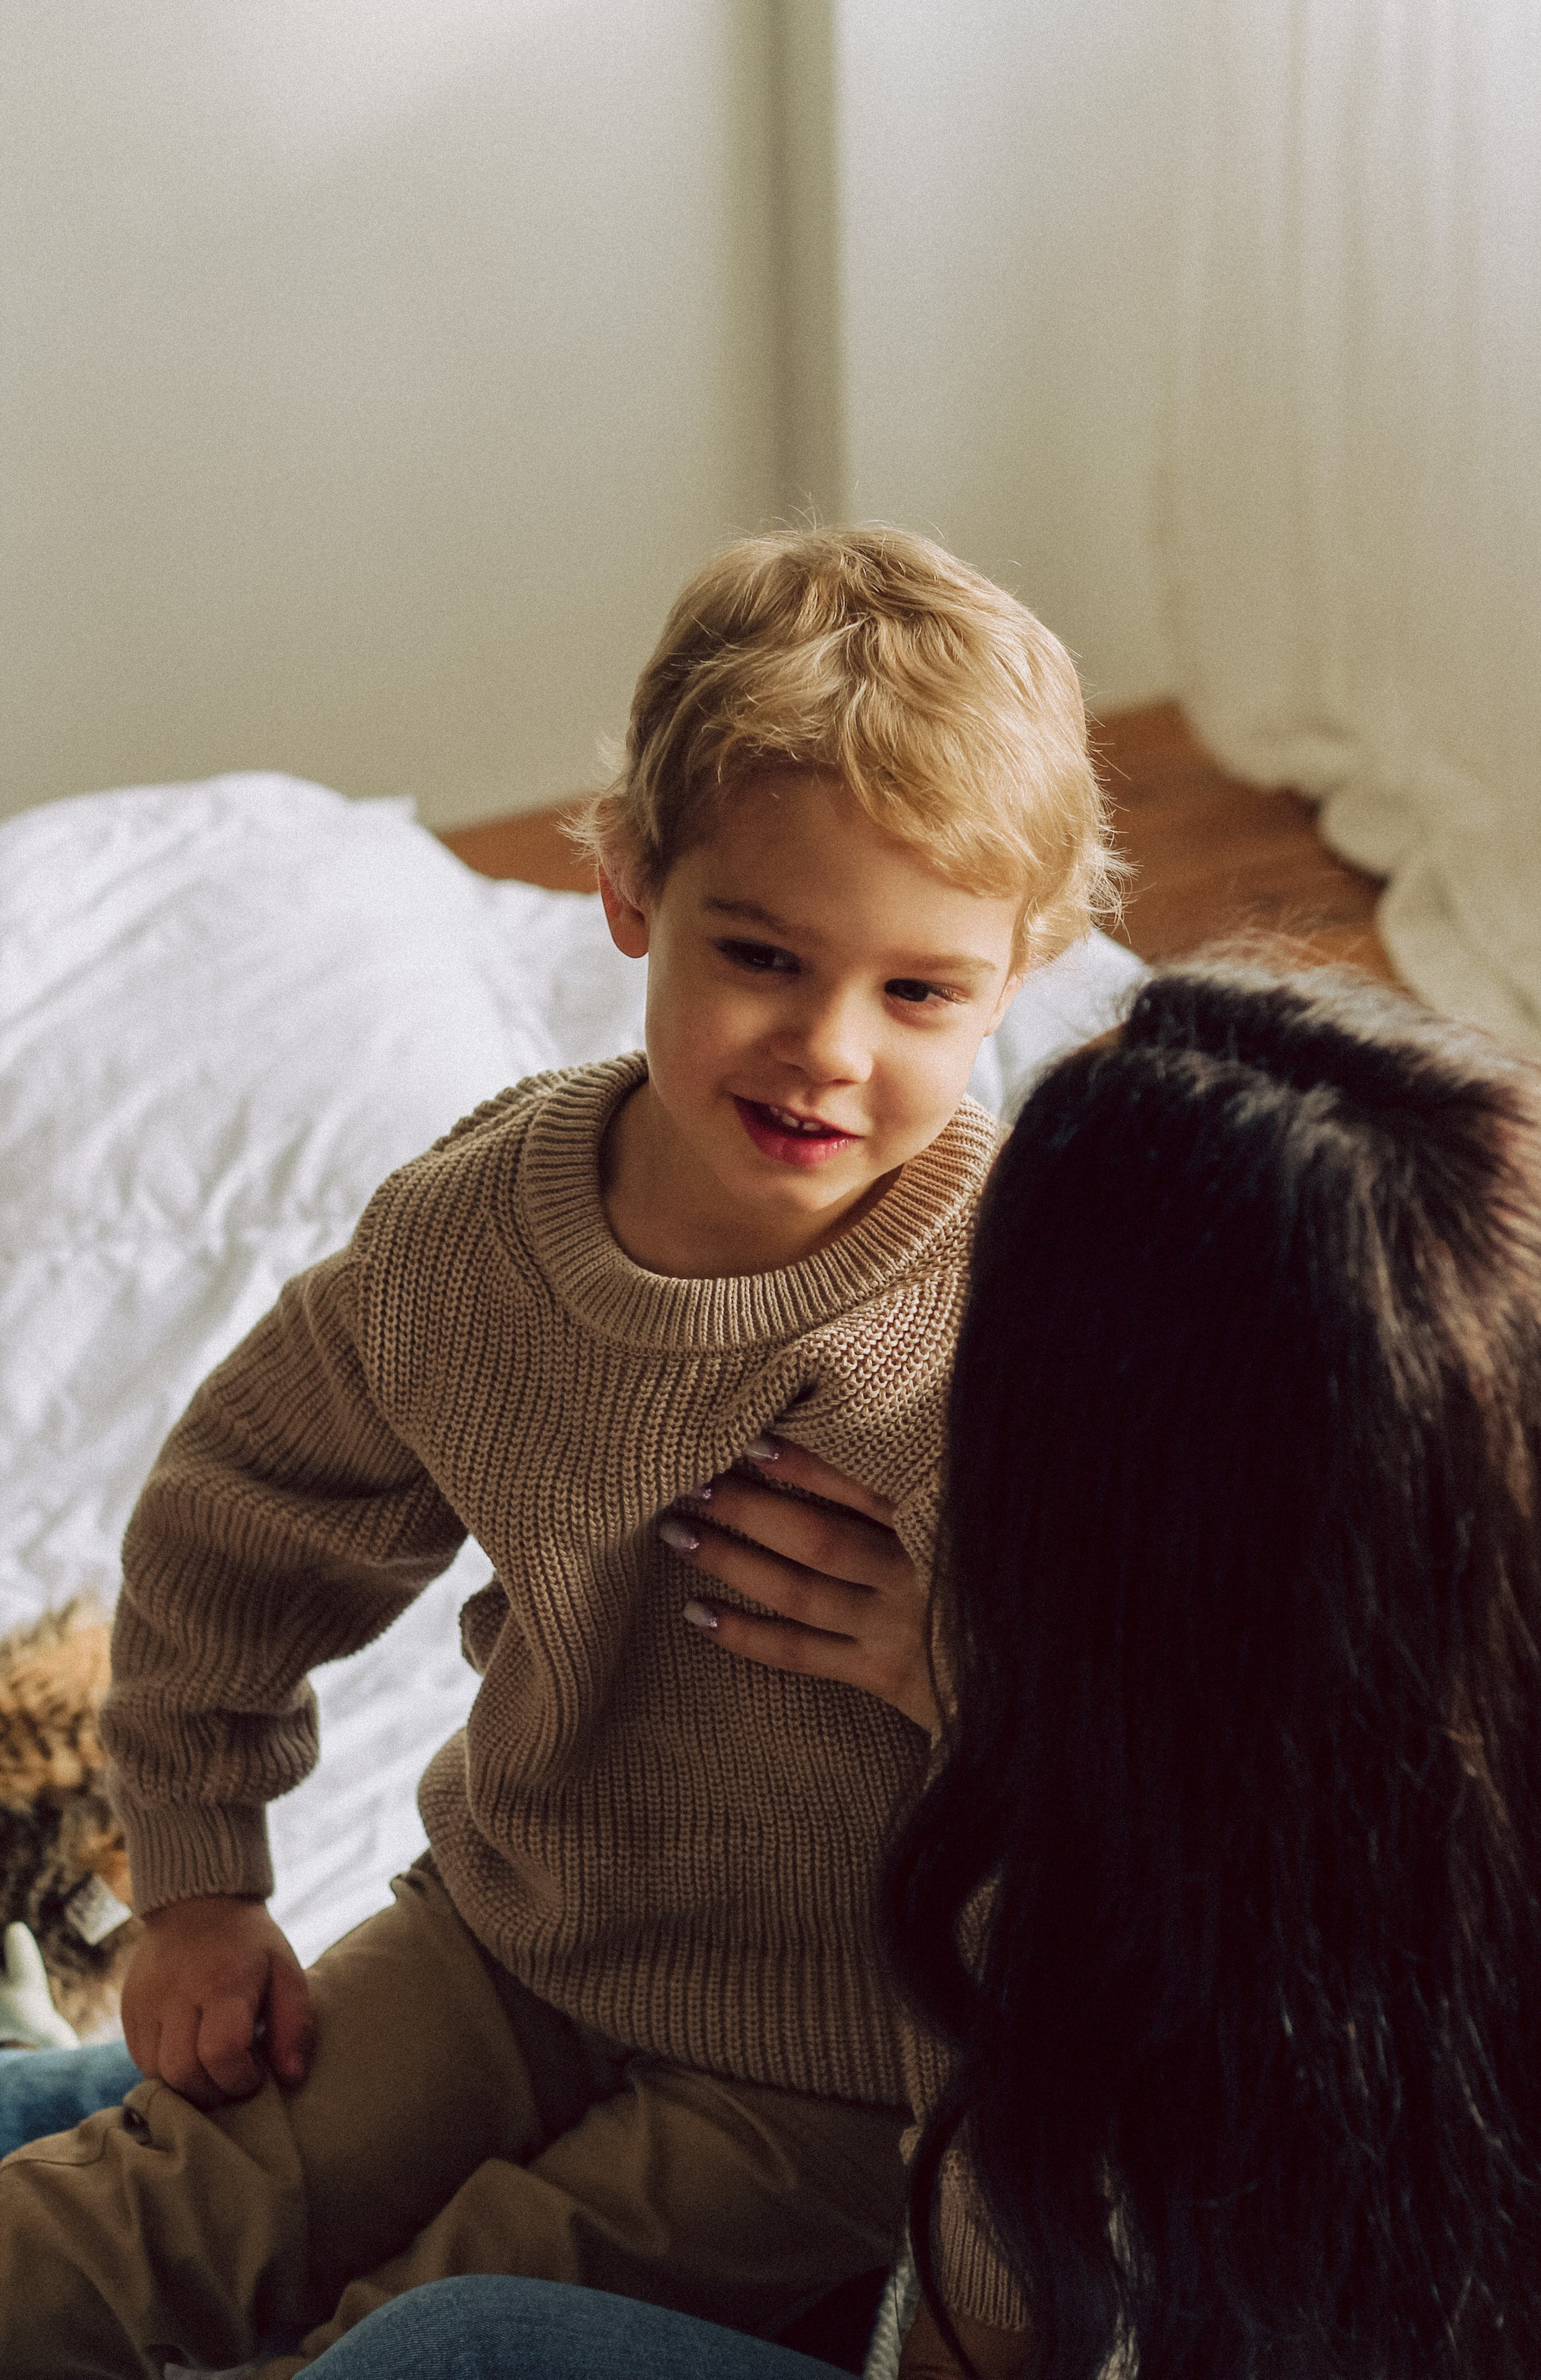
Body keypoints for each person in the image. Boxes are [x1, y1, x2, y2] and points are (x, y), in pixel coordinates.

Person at [0, 525, 1115, 2378]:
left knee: (405, 2339)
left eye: (919, 993)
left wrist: (984, 2286)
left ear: (1022, 972)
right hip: (508, 1941)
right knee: (141, 2216)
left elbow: (1102, 1815)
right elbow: (241, 1518)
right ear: (626, 886)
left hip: (830, 2075)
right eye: (759, 955)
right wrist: (198, 1883)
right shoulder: (478, 1234)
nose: (826, 1050)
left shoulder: (1007, 1336)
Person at [329, 959, 1541, 2378]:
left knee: (450, 2347)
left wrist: (1033, 1764)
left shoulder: (1309, 2007)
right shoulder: (1407, 1663)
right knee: (159, 2105)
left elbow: (990, 2320)